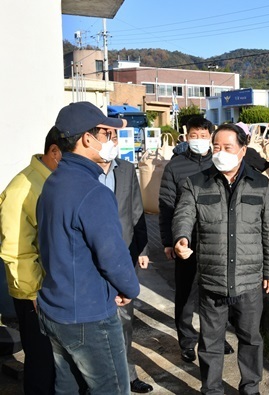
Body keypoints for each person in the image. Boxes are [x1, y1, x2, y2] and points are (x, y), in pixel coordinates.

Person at [36, 101, 140, 394]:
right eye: (107, 134)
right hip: (88, 315)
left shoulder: (53, 183)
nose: (111, 141)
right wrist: (129, 288)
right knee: (113, 389)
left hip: (55, 309)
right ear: (86, 138)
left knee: (67, 388)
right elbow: (113, 256)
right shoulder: (92, 191)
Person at [172, 123, 269, 395]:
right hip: (212, 277)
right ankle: (211, 389)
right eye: (216, 147)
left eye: (227, 147)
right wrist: (181, 238)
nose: (220, 152)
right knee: (210, 342)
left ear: (243, 150)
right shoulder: (196, 183)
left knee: (251, 339)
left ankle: (251, 387)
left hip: (249, 280)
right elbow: (184, 214)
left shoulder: (260, 184)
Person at [158, 116, 234, 361]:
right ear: (186, 136)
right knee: (186, 291)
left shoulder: (219, 163)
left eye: (203, 136)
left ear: (210, 137)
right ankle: (187, 341)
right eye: (194, 135)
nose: (199, 140)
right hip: (186, 240)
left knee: (216, 292)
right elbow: (166, 205)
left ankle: (215, 338)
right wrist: (169, 241)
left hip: (215, 239)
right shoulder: (175, 166)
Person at [0, 128, 62, 395]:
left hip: (56, 291)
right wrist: (33, 293)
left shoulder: (54, 181)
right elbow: (16, 248)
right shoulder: (21, 188)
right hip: (35, 296)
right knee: (42, 365)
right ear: (55, 152)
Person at [97, 134, 154, 394]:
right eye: (103, 137)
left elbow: (136, 210)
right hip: (92, 258)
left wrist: (142, 247)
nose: (110, 142)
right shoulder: (83, 171)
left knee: (124, 319)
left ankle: (127, 374)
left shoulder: (127, 169)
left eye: (113, 138)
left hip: (123, 255)